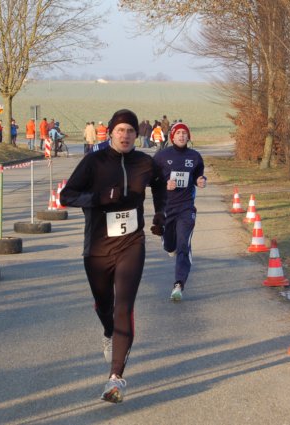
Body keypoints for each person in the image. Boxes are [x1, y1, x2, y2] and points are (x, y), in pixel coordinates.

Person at [60, 109, 167, 404]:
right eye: (120, 130)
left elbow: (159, 185)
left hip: (132, 244)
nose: (125, 135)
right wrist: (97, 199)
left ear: (136, 134)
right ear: (110, 133)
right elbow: (66, 196)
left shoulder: (144, 162)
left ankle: (115, 377)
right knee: (104, 304)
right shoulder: (93, 162)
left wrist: (161, 213)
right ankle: (109, 331)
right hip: (97, 247)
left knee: (124, 306)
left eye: (130, 130)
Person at [153, 122, 206, 301]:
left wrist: (200, 180)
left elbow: (199, 175)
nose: (182, 136)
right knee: (170, 246)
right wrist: (164, 183)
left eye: (185, 133)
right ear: (172, 136)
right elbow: (151, 179)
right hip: (168, 207)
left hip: (186, 207)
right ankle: (167, 242)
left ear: (188, 136)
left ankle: (179, 284)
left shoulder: (195, 156)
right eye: (178, 133)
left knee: (184, 244)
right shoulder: (162, 156)